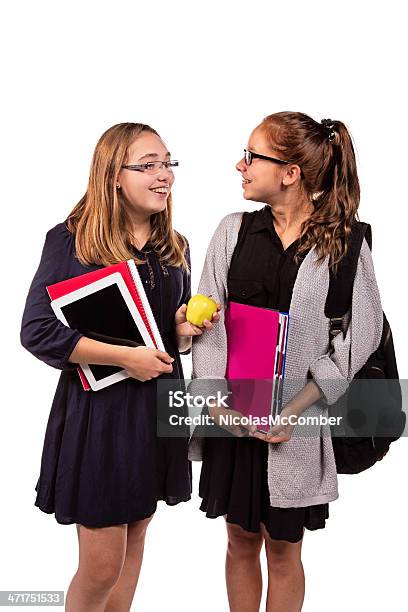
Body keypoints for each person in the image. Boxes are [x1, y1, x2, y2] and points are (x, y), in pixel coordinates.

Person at [20, 122, 220, 612]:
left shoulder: (175, 245)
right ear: (113, 175)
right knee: (103, 565)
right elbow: (37, 330)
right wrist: (125, 358)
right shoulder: (72, 240)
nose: (163, 175)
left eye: (168, 163)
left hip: (156, 408)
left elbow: (158, 329)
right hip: (101, 414)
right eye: (147, 165)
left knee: (133, 550)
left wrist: (182, 331)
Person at [189, 112, 383, 612]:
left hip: (297, 425)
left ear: (290, 172)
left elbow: (358, 340)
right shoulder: (233, 232)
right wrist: (214, 403)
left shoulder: (345, 243)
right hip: (234, 418)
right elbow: (207, 322)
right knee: (239, 542)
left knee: (283, 550)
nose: (241, 165)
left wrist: (296, 410)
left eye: (253, 157)